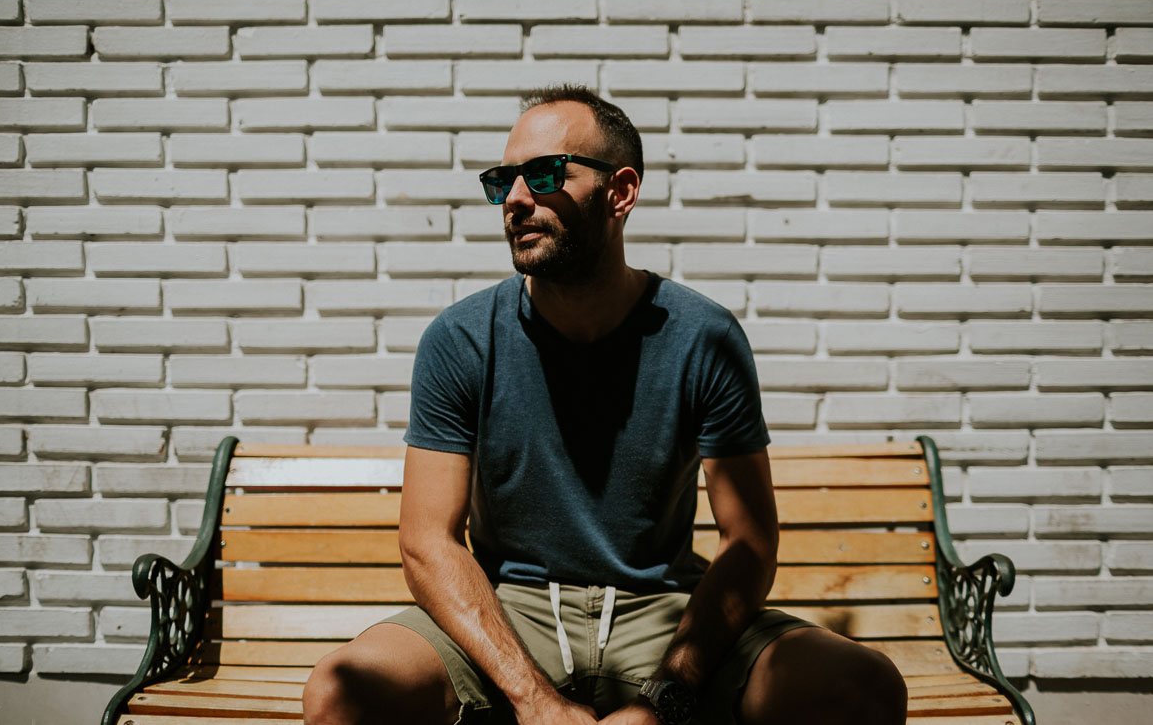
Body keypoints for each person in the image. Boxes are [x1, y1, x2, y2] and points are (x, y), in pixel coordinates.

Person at [301, 84, 907, 725]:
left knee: (860, 687)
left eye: (542, 175)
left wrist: (665, 700)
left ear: (620, 192)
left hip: (662, 609)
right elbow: (427, 542)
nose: (514, 199)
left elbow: (749, 542)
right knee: (340, 694)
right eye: (503, 180)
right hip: (511, 608)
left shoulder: (702, 338)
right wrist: (534, 701)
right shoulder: (462, 339)